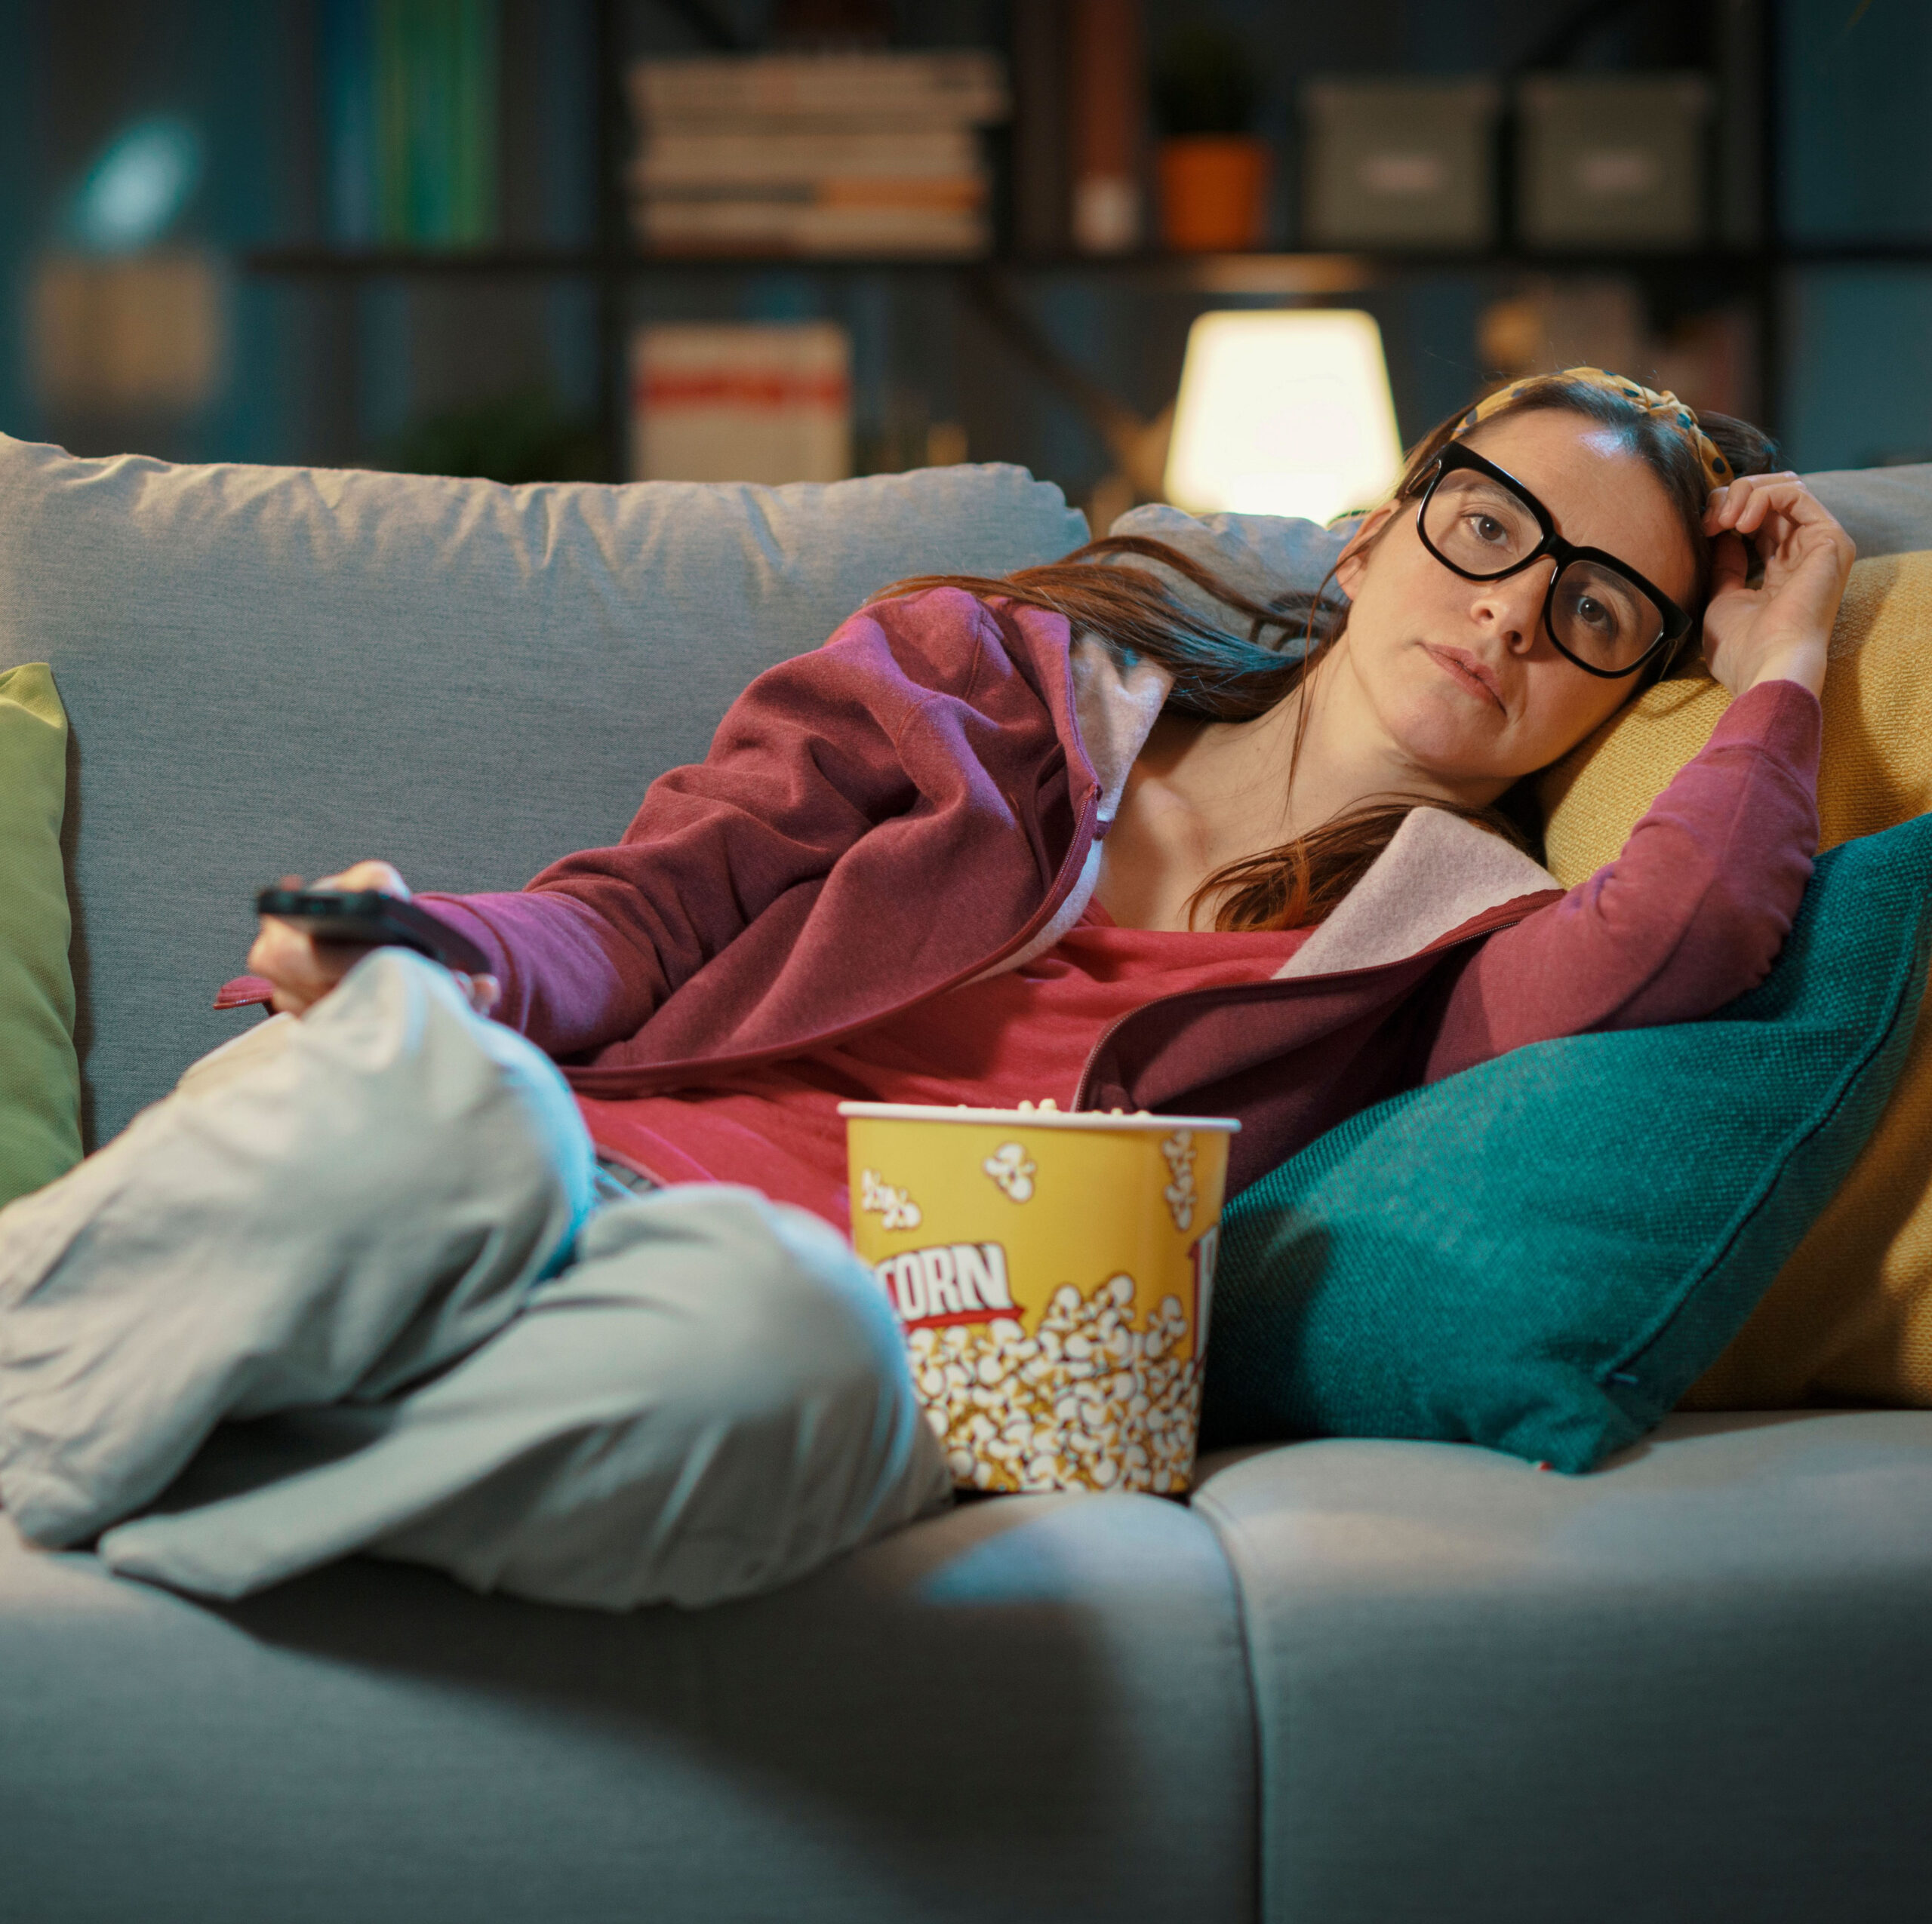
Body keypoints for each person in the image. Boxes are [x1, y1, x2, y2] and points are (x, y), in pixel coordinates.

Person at [0, 368, 1856, 1612]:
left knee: (779, 1339)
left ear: (1622, 689)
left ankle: (136, 1482)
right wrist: (431, 951)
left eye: (1602, 607)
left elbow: (1686, 935)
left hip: (814, 1320)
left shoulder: (1448, 950)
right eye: (1489, 526)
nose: (1520, 608)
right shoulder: (973, 676)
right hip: (531, 1151)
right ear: (1375, 532)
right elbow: (650, 908)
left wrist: (1780, 649)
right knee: (431, 1092)